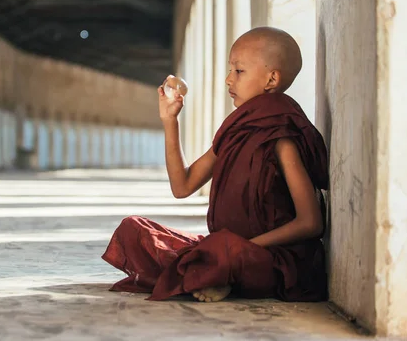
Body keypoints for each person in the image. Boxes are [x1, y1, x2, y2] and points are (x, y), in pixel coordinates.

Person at [102, 26, 329, 303]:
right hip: (226, 248)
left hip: (271, 258)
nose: (228, 79)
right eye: (230, 70)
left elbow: (311, 223)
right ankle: (212, 273)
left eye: (239, 71)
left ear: (271, 79)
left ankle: (214, 273)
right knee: (134, 229)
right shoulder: (236, 133)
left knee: (222, 251)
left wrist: (241, 247)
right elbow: (182, 186)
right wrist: (170, 121)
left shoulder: (282, 139)